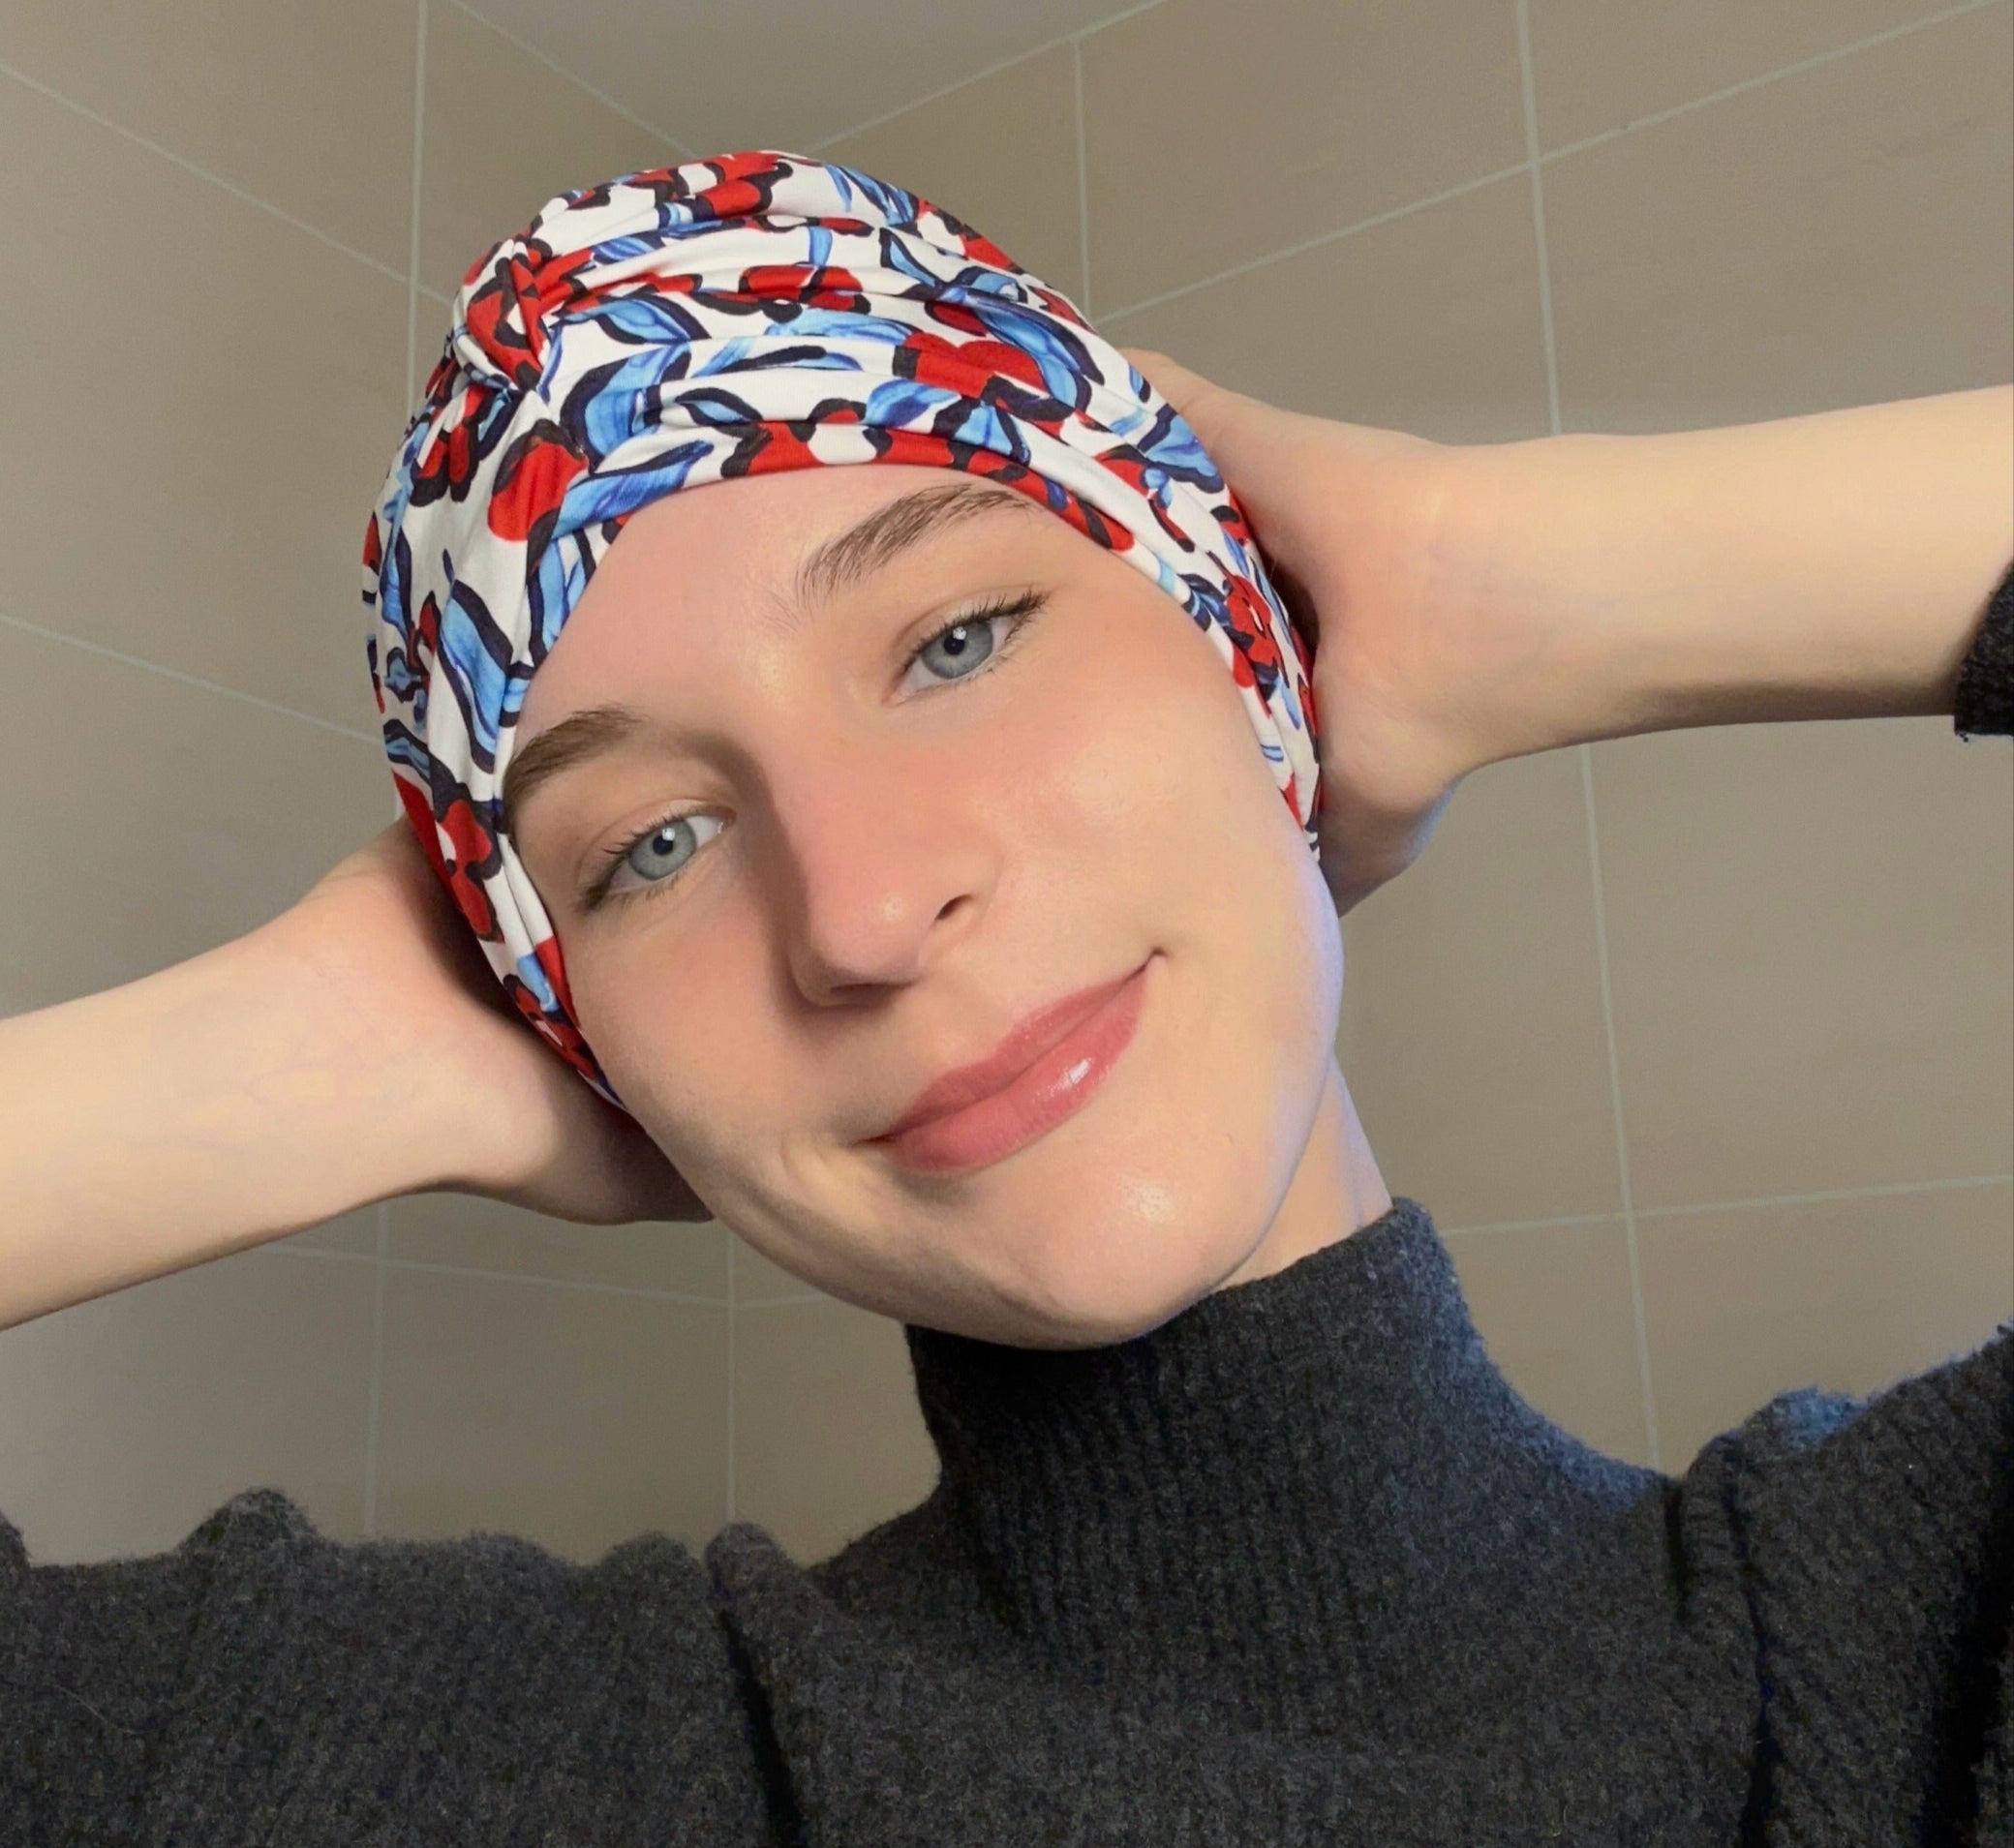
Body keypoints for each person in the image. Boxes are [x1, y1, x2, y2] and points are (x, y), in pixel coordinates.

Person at [1, 150, 2009, 1842]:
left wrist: (1541, 571)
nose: (865, 911)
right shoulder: (487, 1767)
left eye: (957, 637)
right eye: (655, 845)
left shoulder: (1914, 1632)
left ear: (1241, 646)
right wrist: (307, 1065)